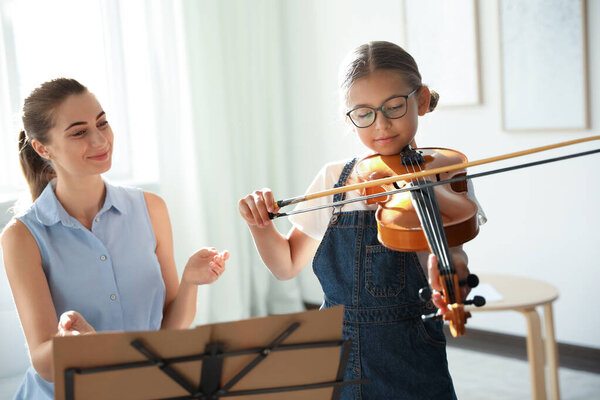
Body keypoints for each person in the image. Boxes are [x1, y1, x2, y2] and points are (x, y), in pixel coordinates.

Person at [238, 41, 486, 399]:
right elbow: (286, 264)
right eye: (364, 113)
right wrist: (259, 226)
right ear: (348, 118)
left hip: (411, 350)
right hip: (336, 353)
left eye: (394, 107)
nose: (381, 125)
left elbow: (455, 253)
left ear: (420, 99)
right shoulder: (334, 179)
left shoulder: (445, 172)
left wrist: (451, 272)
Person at [0, 78, 229, 400]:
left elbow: (170, 334)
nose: (99, 140)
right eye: (79, 132)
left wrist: (190, 282)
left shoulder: (151, 208)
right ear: (42, 148)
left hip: (145, 387)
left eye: (102, 123)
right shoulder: (22, 236)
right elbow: (44, 363)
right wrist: (76, 347)